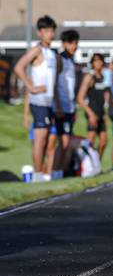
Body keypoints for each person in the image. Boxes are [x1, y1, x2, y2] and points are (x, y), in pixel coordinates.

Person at [13, 15, 58, 181]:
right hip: (38, 102)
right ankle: (37, 175)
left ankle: (45, 173)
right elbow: (19, 67)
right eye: (46, 31)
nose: (50, 34)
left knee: (49, 140)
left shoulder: (51, 53)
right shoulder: (37, 50)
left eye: (52, 30)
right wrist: (31, 86)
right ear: (40, 33)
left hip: (49, 102)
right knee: (40, 139)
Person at [76, 53, 110, 160]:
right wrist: (90, 114)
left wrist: (104, 114)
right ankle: (84, 164)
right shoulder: (89, 77)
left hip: (100, 112)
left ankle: (96, 164)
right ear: (92, 63)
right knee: (90, 141)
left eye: (100, 60)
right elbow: (80, 98)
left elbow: (103, 97)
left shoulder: (103, 77)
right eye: (95, 61)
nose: (98, 63)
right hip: (92, 112)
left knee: (104, 141)